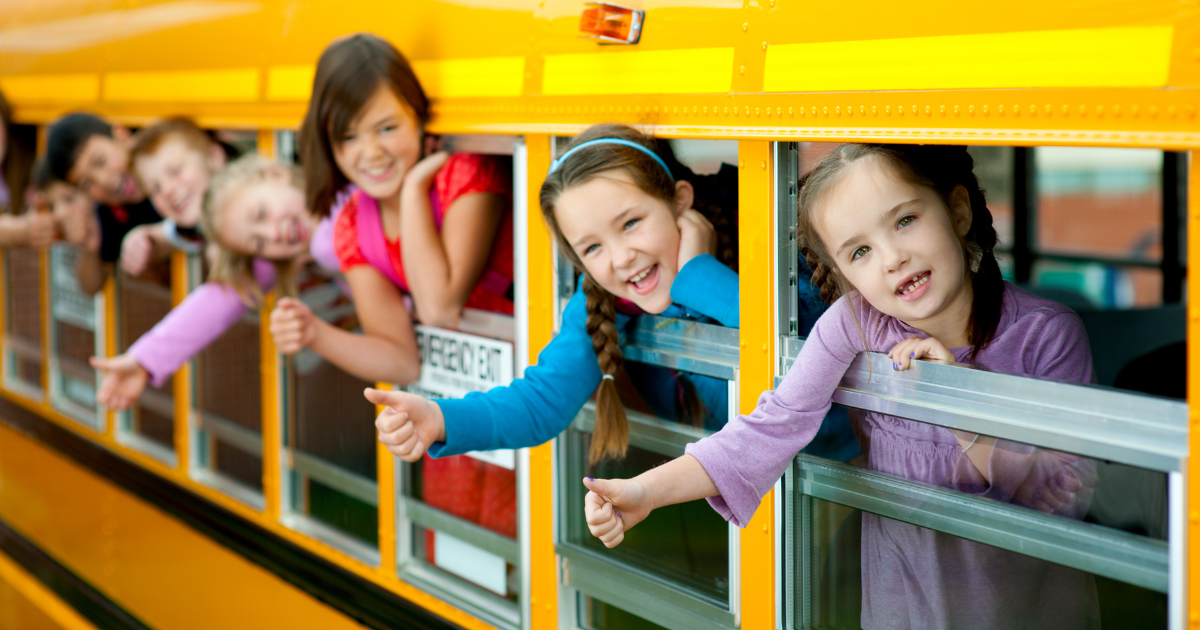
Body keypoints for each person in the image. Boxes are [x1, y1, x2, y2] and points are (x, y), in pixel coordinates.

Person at [582, 144, 1101, 630]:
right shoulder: (856, 321)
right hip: (901, 602)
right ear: (842, 275)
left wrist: (959, 402)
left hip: (1025, 607)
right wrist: (642, 492)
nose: (892, 257)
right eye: (859, 252)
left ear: (958, 211)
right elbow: (770, 428)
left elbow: (1062, 498)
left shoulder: (1045, 333)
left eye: (905, 220)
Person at [367, 123, 743, 465]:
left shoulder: (764, 247)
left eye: (631, 223)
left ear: (679, 200)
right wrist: (439, 417)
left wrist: (698, 275)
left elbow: (797, 354)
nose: (622, 257)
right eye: (592, 248)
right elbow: (540, 402)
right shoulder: (603, 300)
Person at [266, 32, 514, 387]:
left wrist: (414, 192)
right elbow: (401, 363)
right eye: (349, 137)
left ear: (417, 118)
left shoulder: (464, 173)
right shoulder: (354, 223)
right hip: (475, 401)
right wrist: (314, 333)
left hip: (543, 365)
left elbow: (438, 307)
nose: (371, 152)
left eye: (386, 128)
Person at [44, 113, 162, 294]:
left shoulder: (167, 158)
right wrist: (91, 246)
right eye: (87, 183)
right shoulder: (114, 213)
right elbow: (90, 286)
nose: (104, 181)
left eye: (100, 161)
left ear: (121, 135)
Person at [119, 117, 239, 276]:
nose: (167, 190)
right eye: (155, 188)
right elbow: (170, 233)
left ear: (215, 158)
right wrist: (143, 237)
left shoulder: (253, 199)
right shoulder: (197, 227)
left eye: (176, 171)